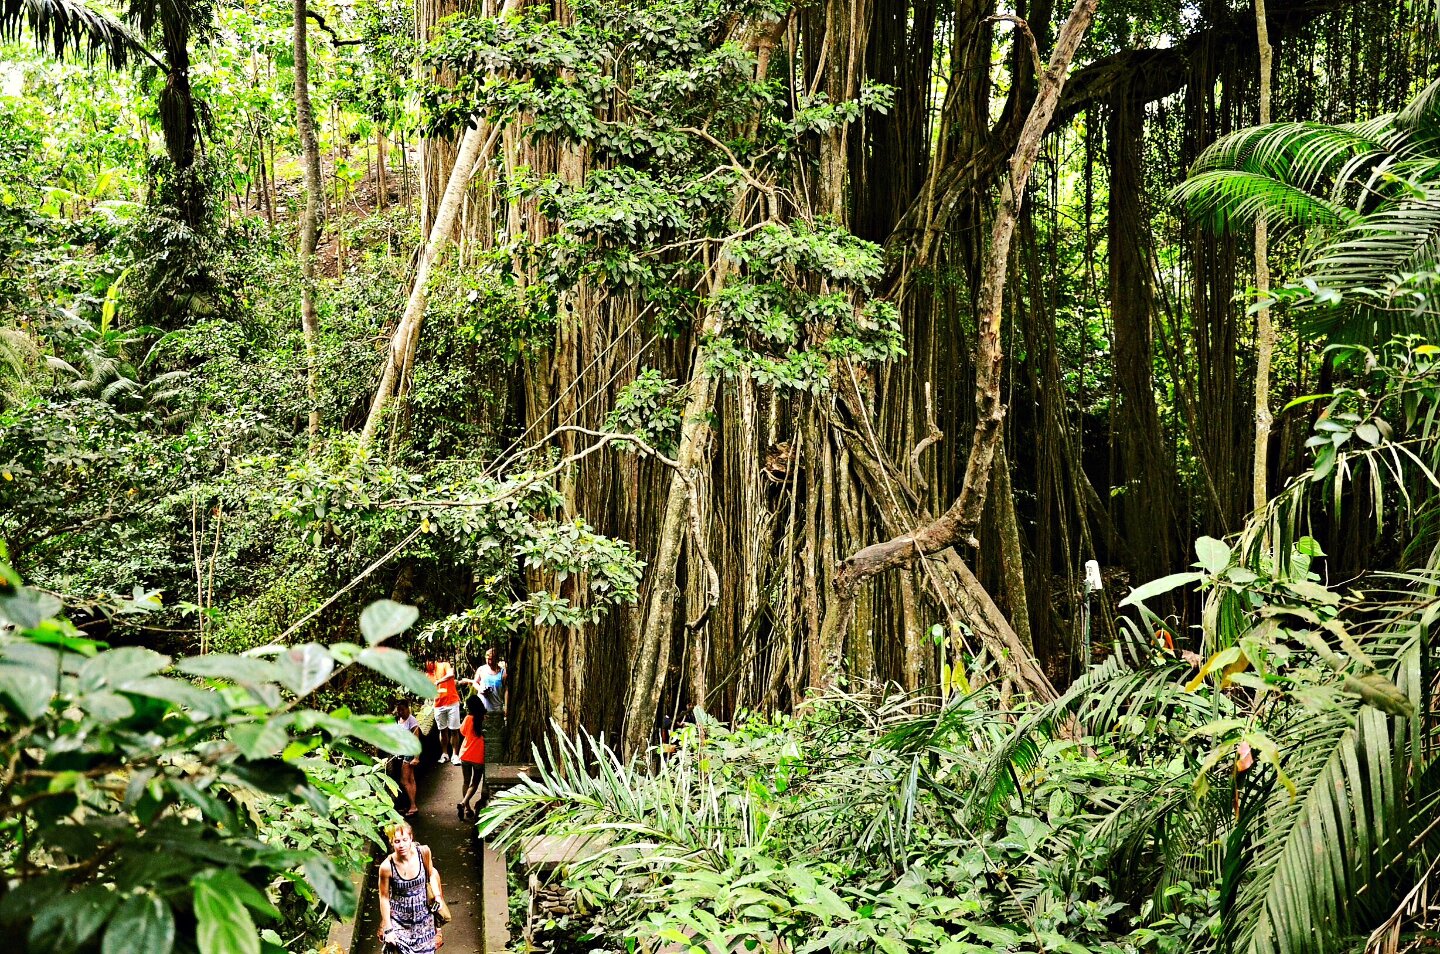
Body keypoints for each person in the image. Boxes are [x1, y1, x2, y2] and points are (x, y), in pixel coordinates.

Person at [377, 821, 443, 954]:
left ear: (411, 838)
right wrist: (388, 929)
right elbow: (384, 897)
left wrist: (437, 896)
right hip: (399, 922)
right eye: (397, 841)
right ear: (391, 842)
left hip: (424, 921)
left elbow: (431, 875)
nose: (401, 845)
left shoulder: (424, 853)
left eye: (404, 840)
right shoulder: (386, 867)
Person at [425, 657, 461, 764]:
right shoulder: (427, 675)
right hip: (438, 704)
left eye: (429, 661)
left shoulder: (444, 665)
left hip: (452, 702)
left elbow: (451, 675)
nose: (428, 664)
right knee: (442, 730)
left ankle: (455, 755)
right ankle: (445, 754)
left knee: (454, 730)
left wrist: (438, 682)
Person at [456, 693, 486, 819]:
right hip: (478, 756)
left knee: (466, 782)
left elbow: (462, 732)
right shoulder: (485, 718)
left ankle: (467, 808)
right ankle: (464, 803)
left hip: (465, 754)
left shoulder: (468, 718)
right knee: (474, 783)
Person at [392, 700, 421, 817]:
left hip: (409, 752)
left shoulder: (412, 721)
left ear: (408, 708)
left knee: (404, 781)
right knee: (411, 779)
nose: (400, 712)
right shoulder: (398, 719)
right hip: (401, 752)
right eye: (398, 710)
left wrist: (416, 757)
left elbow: (416, 740)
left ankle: (413, 806)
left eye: (402, 709)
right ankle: (410, 805)